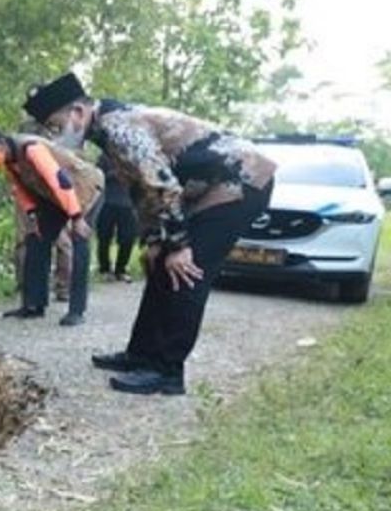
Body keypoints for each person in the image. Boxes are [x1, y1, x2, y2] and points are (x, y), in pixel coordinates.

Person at [23, 72, 276, 395]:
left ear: (78, 112)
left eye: (56, 126)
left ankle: (167, 371)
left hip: (242, 181)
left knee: (186, 271)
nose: (55, 135)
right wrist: (155, 242)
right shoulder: (107, 126)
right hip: (206, 187)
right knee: (159, 264)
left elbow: (160, 184)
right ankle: (141, 354)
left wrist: (179, 245)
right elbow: (140, 191)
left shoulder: (119, 127)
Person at [0, 127, 103, 326]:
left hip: (84, 190)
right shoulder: (9, 161)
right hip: (53, 197)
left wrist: (76, 218)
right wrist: (33, 216)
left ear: (0, 143)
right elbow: (20, 190)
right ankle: (33, 305)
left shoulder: (32, 149)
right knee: (36, 239)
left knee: (79, 241)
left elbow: (60, 181)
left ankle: (77, 310)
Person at [13, 116, 74, 301]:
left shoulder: (59, 126)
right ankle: (28, 286)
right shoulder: (29, 128)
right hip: (32, 188)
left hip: (52, 191)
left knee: (61, 242)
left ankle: (61, 287)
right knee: (27, 239)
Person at [96, 153, 138, 282]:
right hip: (107, 201)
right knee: (104, 237)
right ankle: (104, 269)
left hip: (128, 203)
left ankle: (121, 269)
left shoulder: (134, 157)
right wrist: (113, 174)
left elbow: (141, 178)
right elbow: (96, 176)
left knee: (128, 238)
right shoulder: (105, 156)